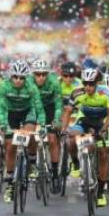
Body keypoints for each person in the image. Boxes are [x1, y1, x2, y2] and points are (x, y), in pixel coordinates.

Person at [62, 68, 109, 207]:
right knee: (71, 140)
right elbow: (68, 112)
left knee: (104, 153)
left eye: (91, 84)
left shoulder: (106, 93)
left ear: (97, 83)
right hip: (84, 120)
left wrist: (104, 129)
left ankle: (101, 193)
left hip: (101, 122)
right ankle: (75, 163)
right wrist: (64, 129)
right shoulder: (77, 93)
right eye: (85, 83)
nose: (88, 87)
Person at [0, 60, 44, 203]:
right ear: (11, 77)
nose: (18, 80)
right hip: (11, 114)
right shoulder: (4, 86)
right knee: (10, 146)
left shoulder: (32, 88)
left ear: (26, 78)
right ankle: (10, 182)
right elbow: (1, 108)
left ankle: (33, 161)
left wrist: (43, 125)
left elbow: (39, 108)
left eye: (22, 78)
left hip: (27, 113)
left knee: (29, 135)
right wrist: (3, 125)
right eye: (15, 77)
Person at [29, 60, 63, 191]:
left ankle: (55, 174)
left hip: (49, 109)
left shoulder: (54, 83)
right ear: (33, 75)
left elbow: (59, 104)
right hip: (33, 109)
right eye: (38, 74)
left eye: (44, 74)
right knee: (30, 135)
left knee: (53, 139)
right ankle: (32, 163)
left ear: (48, 74)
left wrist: (56, 119)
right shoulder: (28, 83)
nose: (41, 77)